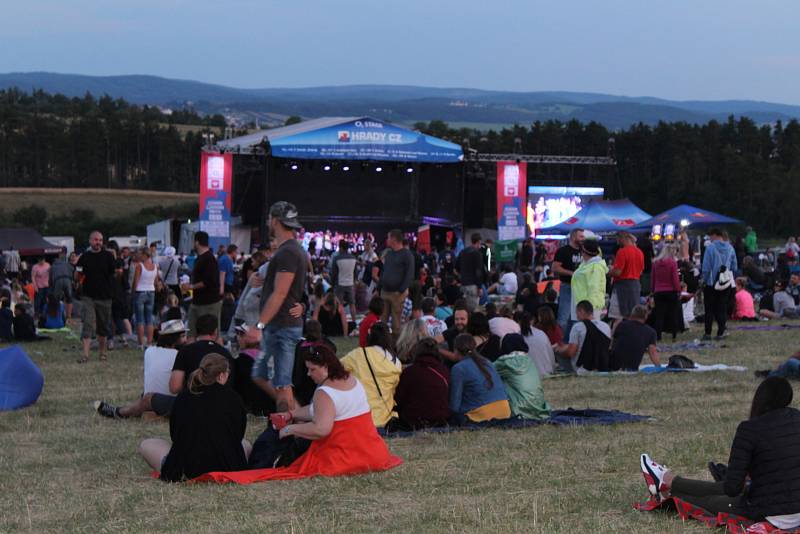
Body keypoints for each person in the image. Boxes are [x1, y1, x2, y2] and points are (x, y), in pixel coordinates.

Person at [639, 377, 800, 528]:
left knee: (711, 500)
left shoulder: (749, 429)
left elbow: (731, 489)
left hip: (771, 514)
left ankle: (668, 483)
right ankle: (667, 482)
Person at [236, 343, 402, 483]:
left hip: (343, 457)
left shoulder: (324, 392)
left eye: (312, 369)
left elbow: (321, 429)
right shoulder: (350, 379)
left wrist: (289, 430)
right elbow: (319, 410)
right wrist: (292, 415)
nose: (308, 374)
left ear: (326, 367)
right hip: (371, 452)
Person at [139, 354, 251, 482]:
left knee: (147, 444)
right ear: (221, 375)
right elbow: (238, 434)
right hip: (228, 467)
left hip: (187, 469)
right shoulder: (234, 398)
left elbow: (175, 435)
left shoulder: (183, 397)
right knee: (245, 444)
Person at [252, 202, 308, 411]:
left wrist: (259, 325)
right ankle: (295, 418)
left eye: (269, 219)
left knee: (281, 384)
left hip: (282, 325)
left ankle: (295, 423)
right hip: (280, 325)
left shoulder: (288, 252)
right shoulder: (292, 250)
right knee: (261, 375)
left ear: (275, 221)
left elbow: (281, 292)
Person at [94, 319, 187, 419]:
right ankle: (120, 412)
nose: (185, 340)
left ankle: (119, 412)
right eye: (182, 336)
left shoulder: (149, 351)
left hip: (153, 400)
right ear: (173, 338)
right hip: (168, 402)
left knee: (146, 396)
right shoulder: (180, 355)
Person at [341, 322, 402, 428]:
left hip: (361, 416)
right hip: (386, 418)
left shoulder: (358, 355)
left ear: (370, 336)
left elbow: (336, 367)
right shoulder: (396, 362)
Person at [449, 333, 511, 423]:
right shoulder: (487, 362)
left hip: (483, 415)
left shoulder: (458, 368)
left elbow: (454, 405)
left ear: (455, 350)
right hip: (505, 411)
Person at [75, 231, 116, 363]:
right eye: (95, 240)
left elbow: (113, 274)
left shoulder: (108, 256)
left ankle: (102, 352)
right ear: (90, 241)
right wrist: (78, 276)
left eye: (100, 240)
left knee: (103, 326)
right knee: (87, 323)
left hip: (105, 296)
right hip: (88, 296)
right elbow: (78, 275)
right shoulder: (84, 257)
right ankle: (85, 355)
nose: (98, 242)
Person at [393, 338, 450, 430]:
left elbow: (399, 398)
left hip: (413, 420)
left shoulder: (409, 372)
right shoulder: (444, 370)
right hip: (439, 419)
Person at [493, 334, 551, 420]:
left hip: (518, 411)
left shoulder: (504, 362)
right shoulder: (529, 359)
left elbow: (484, 371)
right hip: (540, 409)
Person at [183, 231, 221, 339]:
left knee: (211, 334)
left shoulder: (209, 259)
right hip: (197, 301)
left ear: (196, 242)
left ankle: (217, 354)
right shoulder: (199, 258)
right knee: (191, 332)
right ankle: (190, 354)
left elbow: (209, 281)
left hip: (209, 303)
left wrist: (190, 286)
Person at [555, 300, 611, 373]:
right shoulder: (606, 326)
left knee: (557, 352)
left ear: (581, 311)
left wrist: (559, 349)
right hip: (601, 366)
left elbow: (571, 352)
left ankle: (571, 374)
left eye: (576, 312)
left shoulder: (578, 327)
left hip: (583, 368)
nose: (576, 316)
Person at [701, 228, 738, 341]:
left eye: (711, 236)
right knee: (722, 308)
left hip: (711, 283)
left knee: (709, 309)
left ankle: (708, 333)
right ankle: (720, 332)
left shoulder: (710, 248)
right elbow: (734, 267)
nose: (710, 239)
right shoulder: (731, 248)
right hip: (725, 283)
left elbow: (706, 268)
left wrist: (705, 280)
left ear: (715, 235)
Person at [552, 228, 585, 340]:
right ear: (573, 237)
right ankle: (561, 343)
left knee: (576, 318)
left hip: (581, 288)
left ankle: (571, 344)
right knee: (563, 318)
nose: (583, 239)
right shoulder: (563, 251)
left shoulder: (584, 251)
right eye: (580, 236)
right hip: (567, 286)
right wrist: (572, 273)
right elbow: (555, 268)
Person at [379, 229, 415, 331]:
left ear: (394, 239)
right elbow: (384, 271)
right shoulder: (389, 254)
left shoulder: (407, 254)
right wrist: (380, 286)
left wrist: (401, 289)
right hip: (385, 291)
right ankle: (382, 343)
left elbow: (409, 274)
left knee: (396, 323)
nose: (387, 240)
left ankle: (396, 345)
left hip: (397, 294)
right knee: (382, 321)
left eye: (388, 237)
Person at [608, 232, 644, 326]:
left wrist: (607, 272)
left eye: (618, 239)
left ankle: (614, 339)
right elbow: (640, 271)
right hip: (635, 285)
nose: (617, 241)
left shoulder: (622, 251)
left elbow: (618, 272)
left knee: (617, 317)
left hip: (622, 287)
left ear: (623, 238)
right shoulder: (639, 252)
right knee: (632, 314)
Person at [609, 305, 660, 371]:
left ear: (632, 314)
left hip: (614, 365)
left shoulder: (622, 325)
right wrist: (659, 367)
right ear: (646, 316)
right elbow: (653, 352)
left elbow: (613, 344)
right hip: (632, 367)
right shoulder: (651, 332)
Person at [570, 240, 608, 324]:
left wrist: (589, 310)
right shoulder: (586, 264)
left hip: (588, 308)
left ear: (584, 252)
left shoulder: (596, 267)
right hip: (582, 306)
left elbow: (594, 289)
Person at [650, 243, 682, 341]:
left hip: (658, 291)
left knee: (659, 315)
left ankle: (658, 336)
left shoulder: (655, 263)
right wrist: (678, 290)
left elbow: (653, 278)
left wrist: (652, 291)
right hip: (671, 291)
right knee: (673, 313)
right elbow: (675, 279)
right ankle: (674, 335)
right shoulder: (672, 263)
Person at [132, 247, 160, 349]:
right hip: (151, 291)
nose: (139, 256)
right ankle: (149, 342)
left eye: (140, 254)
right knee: (149, 319)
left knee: (140, 319)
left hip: (140, 291)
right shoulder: (155, 266)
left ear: (144, 255)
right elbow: (156, 282)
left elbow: (136, 281)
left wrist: (133, 292)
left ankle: (140, 343)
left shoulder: (140, 266)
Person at [518, 311, 555, 376]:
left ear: (519, 321)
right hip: (545, 374)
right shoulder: (541, 334)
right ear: (533, 320)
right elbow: (551, 355)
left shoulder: (517, 336)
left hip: (527, 376)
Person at [455, 233, 486, 311]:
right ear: (478, 242)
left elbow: (456, 268)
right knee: (472, 310)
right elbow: (478, 272)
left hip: (463, 284)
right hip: (473, 286)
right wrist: (479, 287)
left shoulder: (462, 252)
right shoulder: (477, 253)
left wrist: (461, 277)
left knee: (464, 309)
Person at [331, 240, 357, 324]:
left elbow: (334, 273)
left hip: (340, 284)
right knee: (352, 304)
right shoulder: (353, 258)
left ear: (341, 248)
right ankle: (354, 322)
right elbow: (355, 272)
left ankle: (338, 322)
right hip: (350, 284)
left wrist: (332, 284)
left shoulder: (336, 258)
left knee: (339, 304)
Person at [49, 251, 74, 320]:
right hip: (67, 280)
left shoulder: (53, 266)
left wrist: (51, 287)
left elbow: (50, 280)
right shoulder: (67, 264)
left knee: (56, 299)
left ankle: (56, 316)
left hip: (58, 280)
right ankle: (69, 317)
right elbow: (73, 270)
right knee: (69, 299)